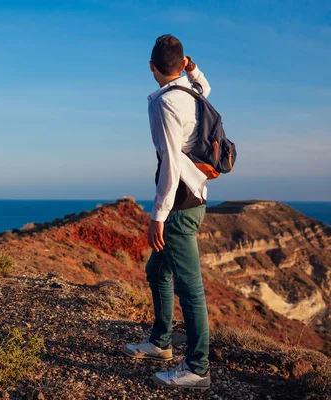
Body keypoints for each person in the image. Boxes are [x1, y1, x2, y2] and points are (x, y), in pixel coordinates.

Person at [123, 34, 211, 390]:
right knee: (157, 270)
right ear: (182, 63)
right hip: (197, 197)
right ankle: (160, 343)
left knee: (190, 288)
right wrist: (194, 70)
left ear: (151, 67)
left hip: (179, 203)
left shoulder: (164, 103)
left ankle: (198, 368)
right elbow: (205, 86)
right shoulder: (191, 93)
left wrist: (158, 214)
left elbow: (171, 162)